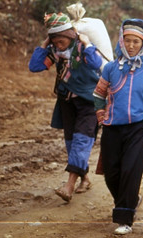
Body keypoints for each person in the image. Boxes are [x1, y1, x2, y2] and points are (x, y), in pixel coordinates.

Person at [93, 19, 143, 235]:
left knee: (130, 171)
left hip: (138, 128)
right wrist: (101, 116)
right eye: (127, 40)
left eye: (136, 41)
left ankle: (125, 219)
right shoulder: (109, 68)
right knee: (111, 173)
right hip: (112, 127)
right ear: (121, 41)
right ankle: (130, 200)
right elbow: (99, 95)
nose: (131, 45)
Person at [29, 12, 102, 202]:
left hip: (89, 102)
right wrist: (45, 44)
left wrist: (87, 44)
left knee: (81, 141)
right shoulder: (55, 52)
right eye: (55, 41)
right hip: (67, 102)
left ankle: (69, 185)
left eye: (61, 40)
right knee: (71, 142)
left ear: (70, 36)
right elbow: (35, 66)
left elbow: (96, 64)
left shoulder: (82, 49)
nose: (58, 45)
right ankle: (84, 178)